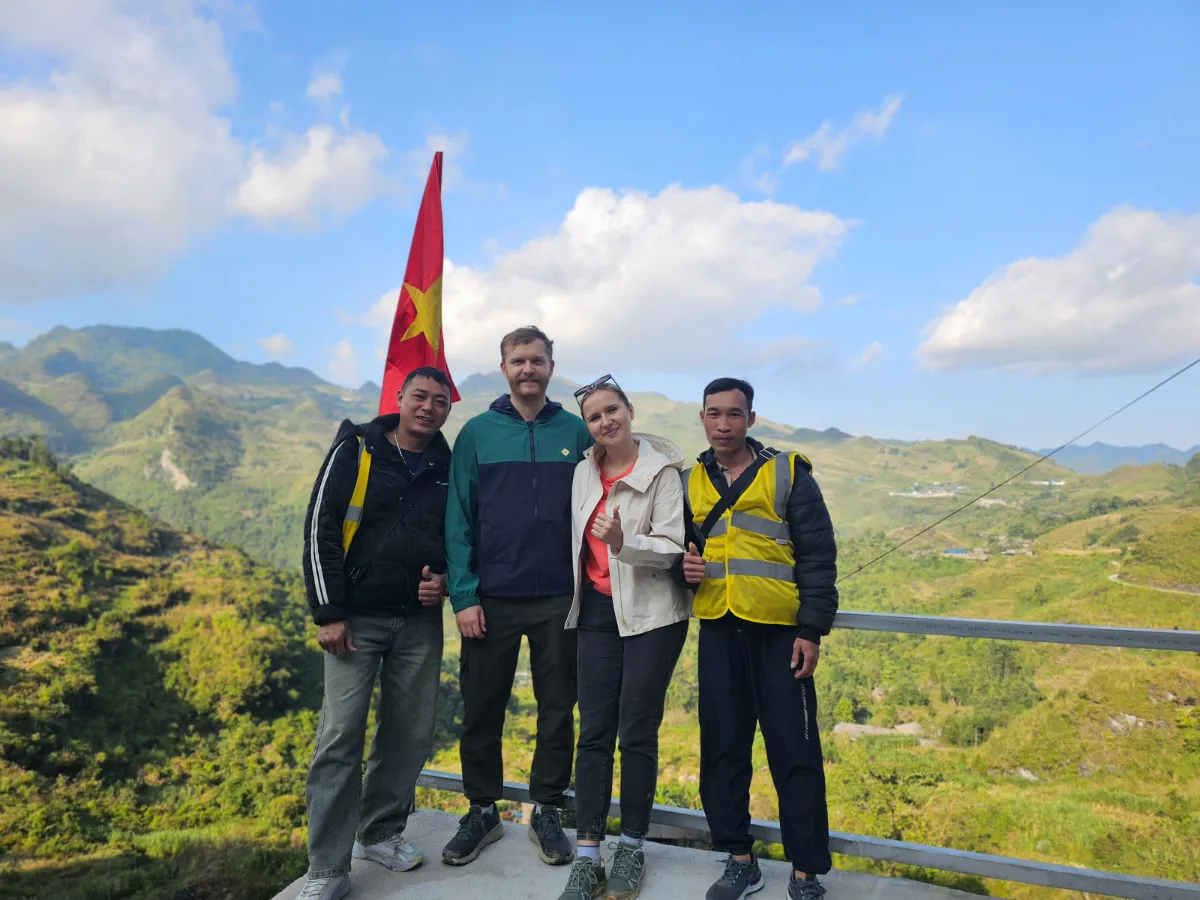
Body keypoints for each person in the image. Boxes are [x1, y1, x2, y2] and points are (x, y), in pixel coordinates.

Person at [297, 366, 455, 900]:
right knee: (340, 737)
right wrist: (328, 612)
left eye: (439, 401)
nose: (428, 407)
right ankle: (327, 869)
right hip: (355, 619)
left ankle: (380, 832)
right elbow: (321, 524)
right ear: (400, 398)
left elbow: (459, 537)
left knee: (409, 732)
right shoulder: (357, 449)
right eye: (420, 396)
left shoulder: (445, 465)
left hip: (417, 621)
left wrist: (448, 582)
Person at [678, 377, 838, 900]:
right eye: (714, 414)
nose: (723, 424)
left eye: (734, 414)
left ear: (750, 418)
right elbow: (677, 553)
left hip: (780, 636)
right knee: (722, 748)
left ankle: (805, 871)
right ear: (701, 417)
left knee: (794, 749)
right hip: (720, 631)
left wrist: (811, 630)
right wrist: (685, 567)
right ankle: (739, 858)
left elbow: (818, 556)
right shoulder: (689, 482)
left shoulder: (788, 473)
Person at [442, 325, 593, 868]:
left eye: (536, 360)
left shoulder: (577, 433)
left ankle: (547, 809)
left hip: (560, 597)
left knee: (558, 709)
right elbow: (458, 519)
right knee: (482, 708)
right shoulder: (477, 433)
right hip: (492, 599)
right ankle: (482, 808)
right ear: (503, 367)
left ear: (551, 366)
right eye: (517, 361)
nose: (527, 369)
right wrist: (463, 596)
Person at [557, 375, 692, 900]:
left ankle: (631, 847)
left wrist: (623, 541)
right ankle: (588, 852)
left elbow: (672, 548)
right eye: (595, 416)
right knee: (593, 730)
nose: (606, 421)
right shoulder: (581, 474)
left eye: (613, 410)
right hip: (596, 610)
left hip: (654, 614)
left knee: (636, 730)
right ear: (587, 426)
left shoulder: (662, 473)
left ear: (630, 412)